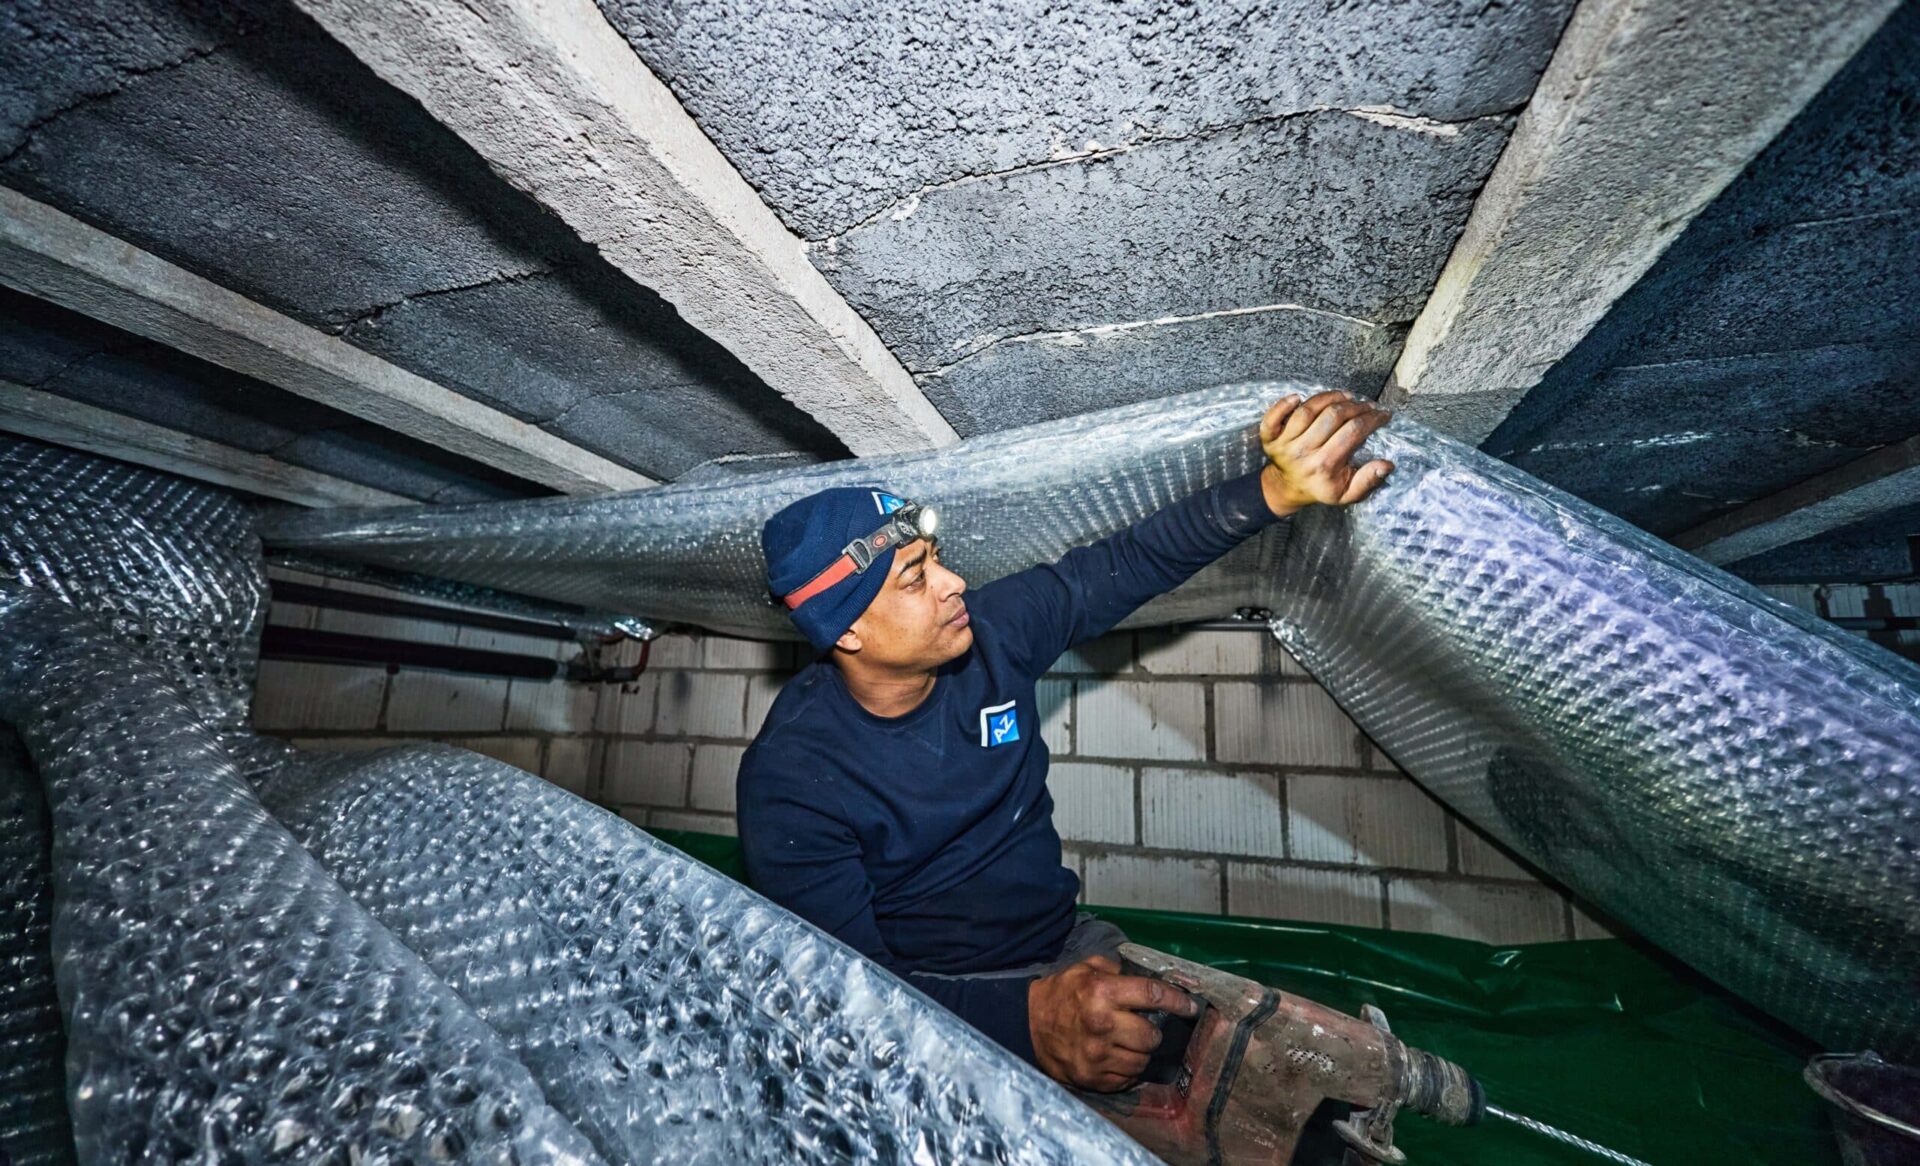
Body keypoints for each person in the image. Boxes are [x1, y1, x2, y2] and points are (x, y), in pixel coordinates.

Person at [737, 391, 1394, 1091]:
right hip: (940, 998)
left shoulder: (991, 638)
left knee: (1277, 1087)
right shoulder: (793, 780)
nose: (955, 583)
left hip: (1067, 946)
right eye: (916, 577)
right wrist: (1028, 1022)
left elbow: (1119, 564)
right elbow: (851, 996)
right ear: (845, 631)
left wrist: (1274, 490)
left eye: (938, 558)